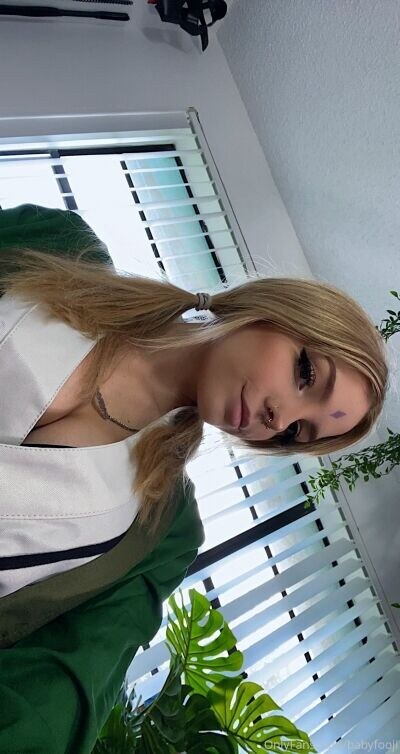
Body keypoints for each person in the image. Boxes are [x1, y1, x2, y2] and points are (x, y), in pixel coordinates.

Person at [0, 203, 388, 753]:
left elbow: (60, 693)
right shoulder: (57, 243)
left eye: (296, 433)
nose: (278, 418)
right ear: (270, 309)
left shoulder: (164, 528)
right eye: (306, 373)